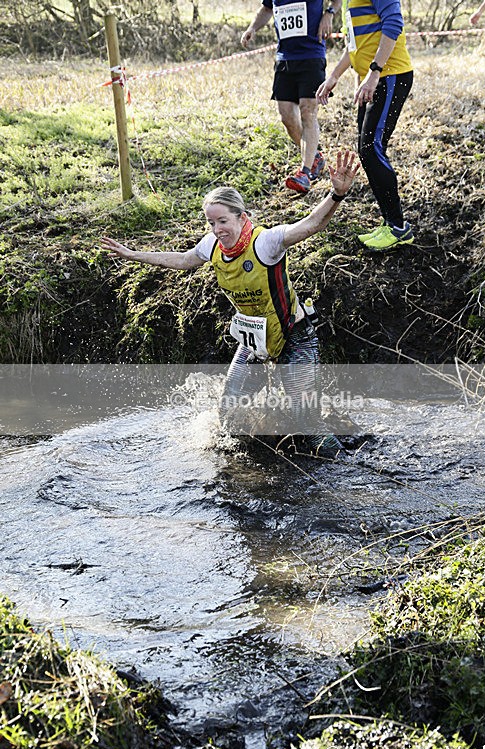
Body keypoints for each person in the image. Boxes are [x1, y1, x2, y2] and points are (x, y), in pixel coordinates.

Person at [101, 150, 359, 458]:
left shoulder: (267, 242)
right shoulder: (212, 245)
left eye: (223, 221)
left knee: (307, 423)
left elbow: (312, 224)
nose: (217, 230)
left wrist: (337, 194)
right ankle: (240, 460)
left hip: (295, 336)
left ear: (241, 217)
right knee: (229, 413)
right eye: (211, 222)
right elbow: (184, 260)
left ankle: (348, 465)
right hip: (255, 341)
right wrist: (134, 255)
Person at [316, 0, 414, 252]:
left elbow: (394, 24)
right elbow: (354, 46)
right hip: (373, 78)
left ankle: (397, 227)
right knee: (367, 149)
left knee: (372, 148)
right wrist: (333, 77)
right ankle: (389, 222)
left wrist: (374, 72)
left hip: (389, 75)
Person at [241, 0, 343, 194]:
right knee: (286, 116)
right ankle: (314, 158)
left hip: (312, 55)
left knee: (308, 111)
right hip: (285, 59)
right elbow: (267, 8)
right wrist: (252, 28)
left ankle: (305, 173)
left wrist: (329, 13)